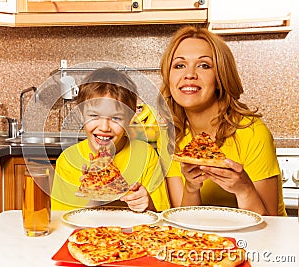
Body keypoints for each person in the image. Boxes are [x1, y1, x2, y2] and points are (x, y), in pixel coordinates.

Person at [160, 26, 286, 216]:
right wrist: (192, 188)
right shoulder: (171, 136)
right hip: (205, 242)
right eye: (179, 65)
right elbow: (186, 221)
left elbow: (270, 224)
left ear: (220, 77)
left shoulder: (252, 133)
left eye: (204, 65)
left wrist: (244, 189)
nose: (189, 74)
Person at [51, 67, 170, 212]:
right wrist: (95, 194)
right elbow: (63, 222)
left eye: (116, 118)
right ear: (82, 115)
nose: (104, 127)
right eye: (94, 116)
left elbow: (159, 219)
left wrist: (146, 204)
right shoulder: (68, 160)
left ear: (129, 119)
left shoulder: (146, 155)